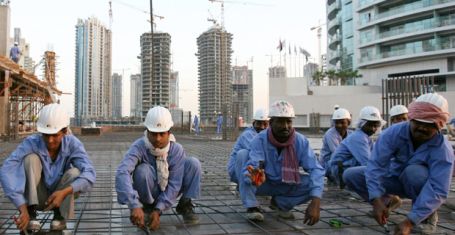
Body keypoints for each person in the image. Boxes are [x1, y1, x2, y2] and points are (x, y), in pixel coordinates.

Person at [343, 93, 454, 235]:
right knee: (352, 175)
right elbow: (376, 166)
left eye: (429, 125)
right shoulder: (392, 133)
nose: (422, 128)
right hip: (394, 178)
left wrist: (409, 222)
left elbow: (439, 188)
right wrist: (376, 199)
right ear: (411, 119)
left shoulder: (443, 149)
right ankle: (386, 204)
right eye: (418, 123)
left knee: (414, 172)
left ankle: (426, 217)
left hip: (419, 185)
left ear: (439, 125)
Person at [0, 103, 96, 232]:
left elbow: (90, 173)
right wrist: (21, 206)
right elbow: (7, 169)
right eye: (46, 134)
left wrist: (65, 192)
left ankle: (59, 215)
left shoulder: (73, 144)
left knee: (75, 172)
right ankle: (31, 212)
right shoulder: (32, 142)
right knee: (30, 159)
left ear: (64, 131)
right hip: (38, 196)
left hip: (61, 198)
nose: (50, 140)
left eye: (55, 135)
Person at [237, 100, 324, 223]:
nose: (285, 126)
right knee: (244, 159)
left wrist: (316, 201)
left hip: (286, 183)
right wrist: (254, 175)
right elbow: (255, 162)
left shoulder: (300, 141)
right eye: (280, 121)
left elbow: (316, 169)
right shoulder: (260, 140)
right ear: (271, 123)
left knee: (315, 184)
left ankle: (280, 203)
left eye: (288, 121)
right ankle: (252, 206)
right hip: (264, 183)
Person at [115, 106, 201, 231]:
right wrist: (134, 205)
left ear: (169, 133)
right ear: (147, 131)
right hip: (150, 189)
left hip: (169, 190)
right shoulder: (139, 146)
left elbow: (175, 184)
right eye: (154, 134)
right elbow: (122, 172)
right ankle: (147, 206)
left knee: (194, 164)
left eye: (162, 134)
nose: (158, 139)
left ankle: (184, 204)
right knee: (142, 171)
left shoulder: (176, 150)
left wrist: (158, 210)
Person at [329, 106, 384, 186]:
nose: (373, 129)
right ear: (362, 124)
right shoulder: (358, 137)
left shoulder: (365, 137)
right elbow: (367, 163)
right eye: (370, 125)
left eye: (375, 126)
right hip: (341, 171)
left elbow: (375, 156)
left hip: (346, 167)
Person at [227, 108, 269, 184]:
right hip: (236, 172)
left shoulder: (266, 135)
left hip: (251, 170)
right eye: (259, 123)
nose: (262, 127)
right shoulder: (248, 135)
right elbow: (259, 152)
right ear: (254, 123)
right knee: (244, 153)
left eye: (265, 124)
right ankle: (243, 184)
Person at [319, 108, 353, 182]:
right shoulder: (330, 134)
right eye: (337, 123)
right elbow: (337, 154)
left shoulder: (351, 134)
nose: (339, 125)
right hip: (328, 164)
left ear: (348, 123)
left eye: (342, 122)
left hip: (341, 162)